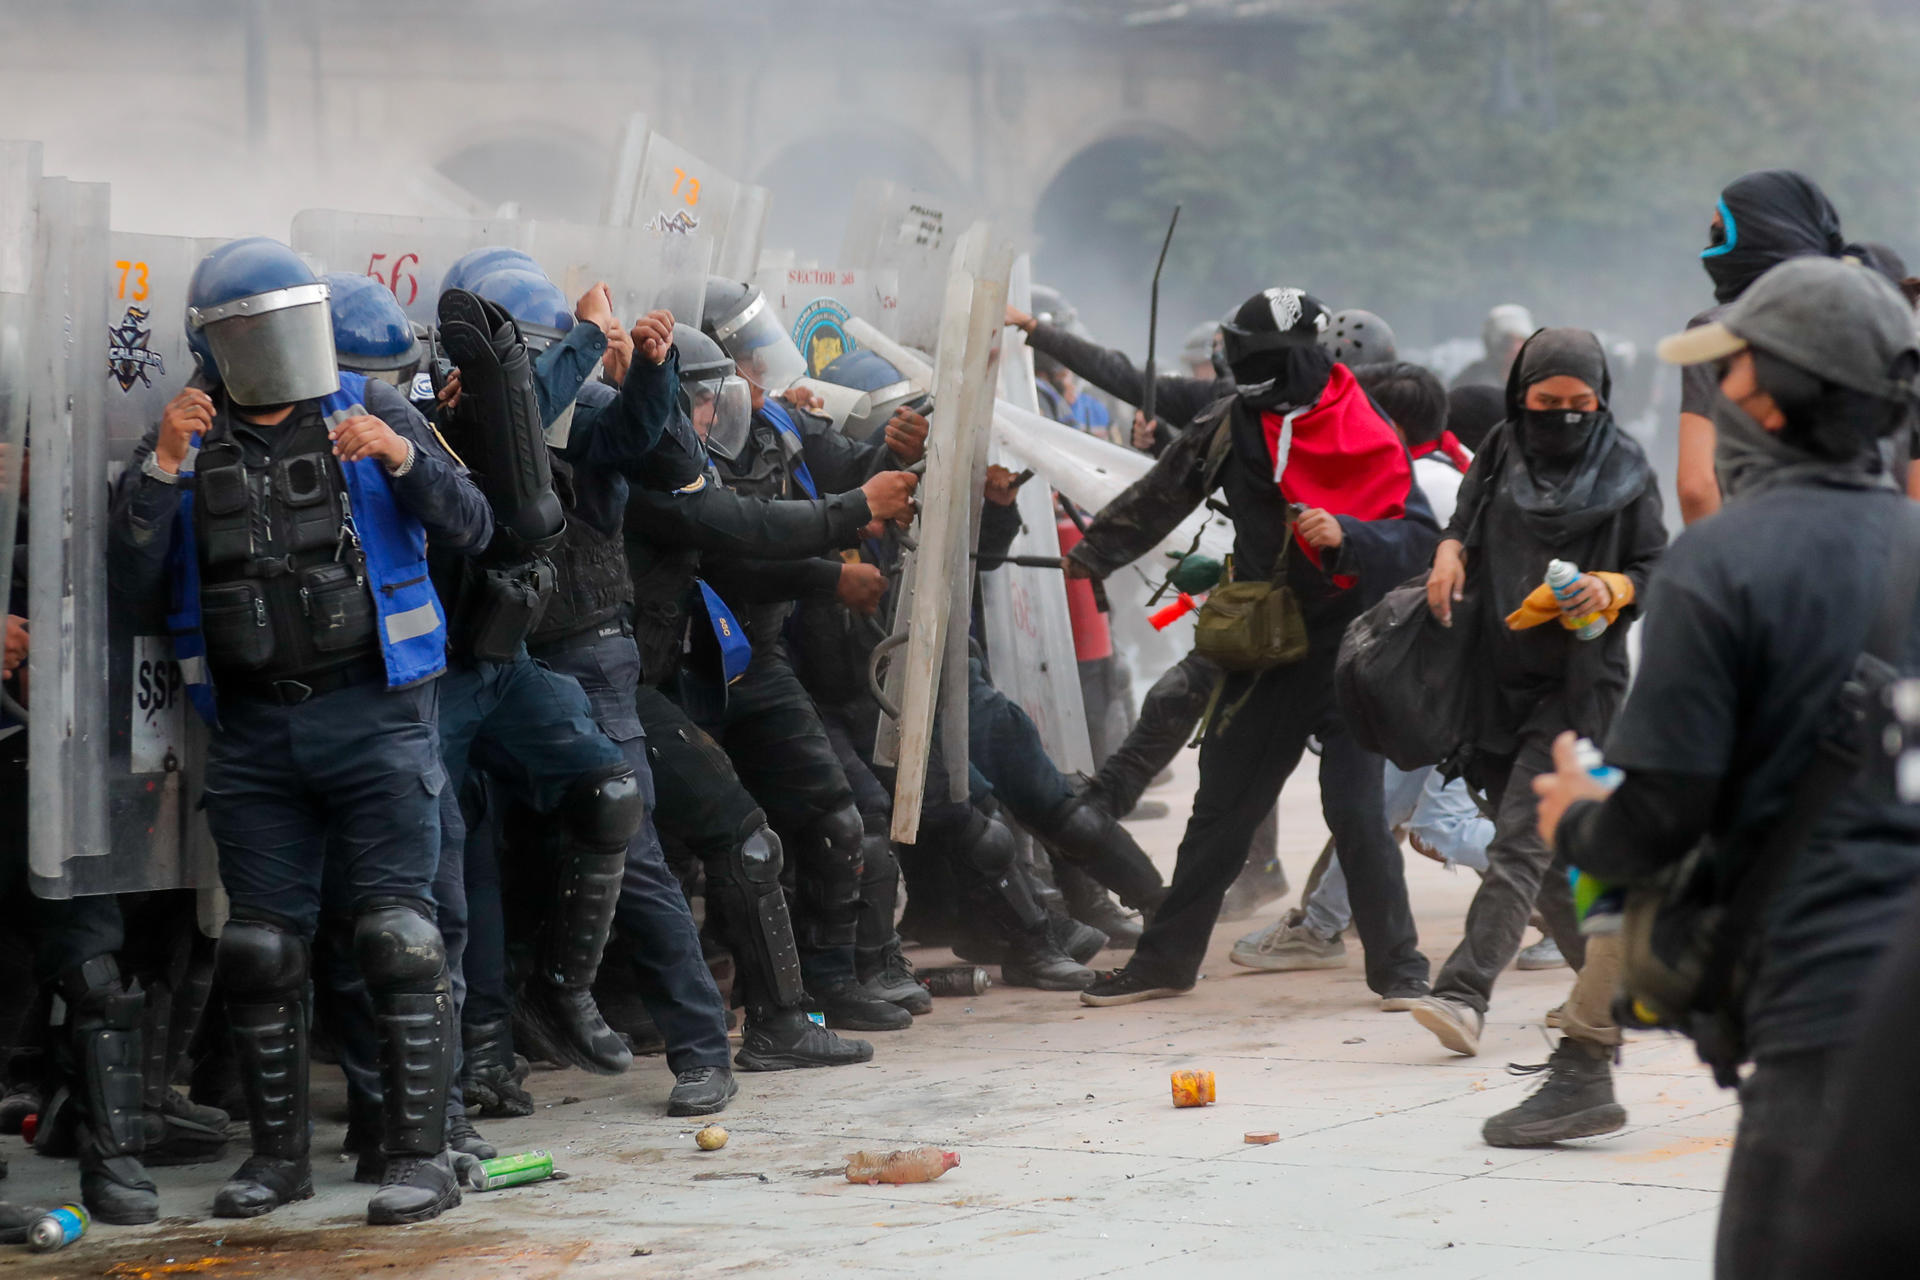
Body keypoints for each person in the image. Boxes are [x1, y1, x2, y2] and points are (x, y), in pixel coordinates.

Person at [1537, 255, 1920, 1279]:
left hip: (1825, 1011)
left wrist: (1576, 817)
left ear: (1781, 396)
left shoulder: (1725, 562)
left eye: (1739, 370)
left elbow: (1658, 814)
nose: (1726, 391)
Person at [108, 238, 494, 1224]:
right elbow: (131, 586)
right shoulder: (187, 440)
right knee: (258, 948)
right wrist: (159, 466)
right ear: (217, 342)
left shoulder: (371, 409)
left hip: (375, 710)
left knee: (400, 936)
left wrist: (401, 454)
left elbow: (475, 524)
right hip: (253, 730)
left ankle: (419, 1152)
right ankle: (278, 1161)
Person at [1066, 287, 1435, 1008]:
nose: (1245, 370)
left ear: (1305, 359)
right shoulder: (1232, 420)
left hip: (1354, 650)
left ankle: (1400, 971)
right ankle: (1166, 961)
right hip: (1266, 649)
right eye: (1239, 355)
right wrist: (1090, 556)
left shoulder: (1367, 423)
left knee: (1356, 812)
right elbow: (1163, 491)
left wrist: (1350, 536)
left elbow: (1417, 537)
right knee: (1221, 812)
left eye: (1260, 359)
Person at [1410, 329, 1666, 1085]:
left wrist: (1613, 587)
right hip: (1494, 675)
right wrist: (1450, 551)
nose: (1560, 417)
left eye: (1578, 406)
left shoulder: (1627, 468)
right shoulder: (1500, 446)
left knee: (1520, 840)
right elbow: (1465, 516)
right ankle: (1614, 986)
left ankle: (1462, 994)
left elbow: (1656, 564)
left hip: (1578, 682)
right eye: (1545, 403)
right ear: (1521, 396)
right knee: (1544, 855)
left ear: (1602, 402)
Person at [1676, 170, 1854, 524]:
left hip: (1755, 552)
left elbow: (1696, 486)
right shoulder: (1865, 324)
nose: (1710, 248)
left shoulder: (1715, 333)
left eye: (1720, 232)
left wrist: (1713, 568)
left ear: (1762, 233)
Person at [1450, 304, 1533, 390]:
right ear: (1494, 345)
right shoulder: (1472, 381)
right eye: (1508, 341)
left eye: (1521, 340)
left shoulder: (1534, 379)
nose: (1516, 348)